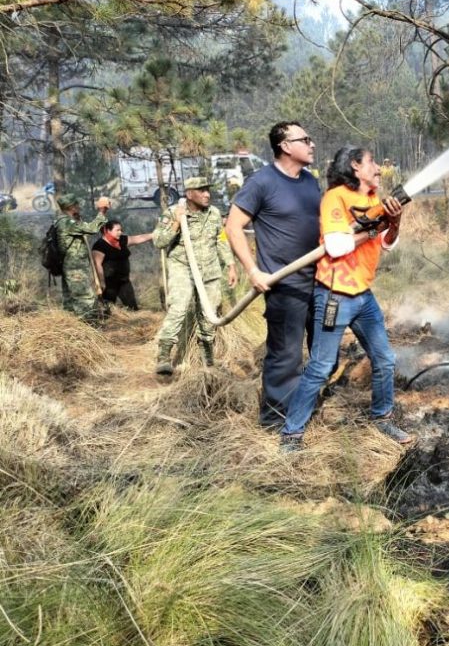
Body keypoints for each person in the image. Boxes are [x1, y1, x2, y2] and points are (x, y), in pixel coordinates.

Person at [280, 145, 412, 451]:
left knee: (384, 359)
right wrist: (372, 226)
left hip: (363, 296)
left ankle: (382, 419)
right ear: (355, 167)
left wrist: (393, 222)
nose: (379, 168)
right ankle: (291, 434)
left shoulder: (372, 200)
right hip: (335, 297)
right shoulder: (335, 197)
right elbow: (337, 246)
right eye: (373, 162)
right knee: (322, 366)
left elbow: (387, 243)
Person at [225, 122, 322, 428]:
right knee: (286, 358)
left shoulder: (309, 182)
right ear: (284, 146)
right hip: (284, 285)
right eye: (304, 139)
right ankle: (276, 423)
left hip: (319, 282)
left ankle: (305, 408)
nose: (312, 144)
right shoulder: (261, 182)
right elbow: (233, 227)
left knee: (322, 352)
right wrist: (252, 270)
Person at [153, 177, 237, 376]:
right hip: (182, 268)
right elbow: (159, 241)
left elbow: (221, 239)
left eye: (208, 190)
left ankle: (207, 357)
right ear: (190, 194)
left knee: (210, 313)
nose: (207, 194)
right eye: (202, 190)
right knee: (179, 308)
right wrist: (176, 223)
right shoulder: (174, 213)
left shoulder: (214, 213)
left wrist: (231, 265)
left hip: (209, 270)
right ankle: (164, 356)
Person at [54, 193, 111, 322]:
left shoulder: (67, 221)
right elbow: (92, 228)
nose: (79, 207)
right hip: (75, 268)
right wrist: (102, 212)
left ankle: (72, 327)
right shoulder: (67, 223)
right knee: (84, 298)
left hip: (71, 266)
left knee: (70, 299)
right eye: (76, 205)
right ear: (71, 207)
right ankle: (89, 327)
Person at [91, 219, 153, 310]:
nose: (120, 232)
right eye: (117, 230)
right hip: (109, 283)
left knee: (132, 308)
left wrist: (153, 235)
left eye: (121, 230)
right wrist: (102, 282)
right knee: (107, 309)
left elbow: (137, 238)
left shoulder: (122, 240)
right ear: (108, 231)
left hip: (124, 281)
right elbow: (97, 264)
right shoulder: (99, 245)